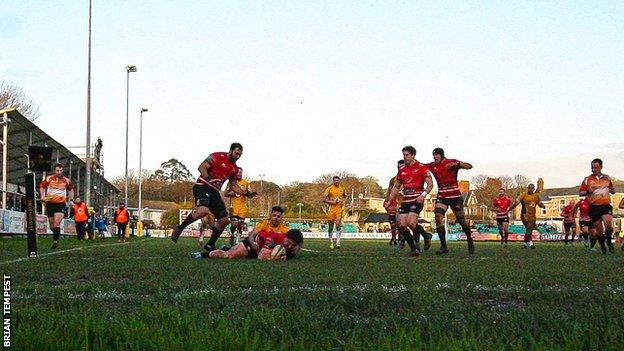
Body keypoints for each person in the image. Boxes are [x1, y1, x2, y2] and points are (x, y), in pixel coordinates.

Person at [171, 143, 257, 252]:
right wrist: (208, 178)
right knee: (203, 211)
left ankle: (210, 244)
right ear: (230, 151)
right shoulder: (217, 156)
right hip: (202, 186)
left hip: (214, 192)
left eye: (240, 155)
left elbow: (234, 186)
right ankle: (179, 228)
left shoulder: (234, 169)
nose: (238, 156)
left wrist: (247, 193)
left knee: (224, 220)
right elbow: (201, 167)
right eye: (236, 153)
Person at [193, 206, 303, 260]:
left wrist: (289, 253)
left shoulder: (286, 231)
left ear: (281, 217)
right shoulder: (265, 227)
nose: (276, 218)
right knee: (229, 256)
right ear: (271, 215)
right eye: (274, 215)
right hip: (251, 246)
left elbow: (297, 244)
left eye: (278, 216)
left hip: (260, 250)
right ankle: (203, 255)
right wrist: (253, 243)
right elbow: (253, 238)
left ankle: (226, 247)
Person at [384, 146, 433, 257]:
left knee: (411, 222)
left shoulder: (421, 167)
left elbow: (430, 184)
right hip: (406, 200)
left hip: (417, 199)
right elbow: (396, 187)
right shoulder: (402, 171)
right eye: (404, 155)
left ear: (413, 155)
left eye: (407, 155)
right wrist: (389, 200)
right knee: (401, 225)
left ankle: (426, 236)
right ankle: (414, 249)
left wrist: (423, 195)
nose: (405, 157)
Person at [427, 148, 474, 254]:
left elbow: (469, 166)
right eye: (433, 155)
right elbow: (420, 166)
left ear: (442, 155)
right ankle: (443, 246)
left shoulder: (451, 162)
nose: (435, 157)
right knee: (438, 217)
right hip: (442, 196)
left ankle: (469, 239)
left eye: (437, 155)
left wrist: (458, 164)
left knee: (462, 221)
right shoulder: (432, 165)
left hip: (455, 196)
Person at [579, 158, 616, 253]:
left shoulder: (607, 178)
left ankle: (609, 242)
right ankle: (603, 247)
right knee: (599, 231)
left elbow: (612, 189)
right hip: (594, 206)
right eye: (592, 167)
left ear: (601, 167)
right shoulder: (587, 179)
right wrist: (588, 191)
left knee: (608, 224)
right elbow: (580, 193)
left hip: (605, 205)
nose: (593, 169)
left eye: (596, 167)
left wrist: (612, 191)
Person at [39, 163, 74, 249]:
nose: (59, 172)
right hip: (50, 203)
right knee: (51, 225)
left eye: (61, 170)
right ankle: (57, 235)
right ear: (55, 170)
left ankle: (55, 241)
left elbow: (71, 189)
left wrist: (71, 200)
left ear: (62, 170)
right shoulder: (49, 178)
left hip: (61, 204)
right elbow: (42, 187)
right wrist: (42, 195)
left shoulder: (66, 180)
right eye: (57, 170)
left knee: (56, 223)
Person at [509, 183, 545, 249]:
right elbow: (516, 202)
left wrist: (542, 205)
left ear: (534, 189)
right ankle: (531, 243)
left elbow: (539, 203)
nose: (530, 189)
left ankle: (525, 244)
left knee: (530, 229)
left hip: (533, 216)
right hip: (524, 214)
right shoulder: (524, 194)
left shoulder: (536, 196)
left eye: (532, 188)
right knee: (529, 227)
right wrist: (509, 209)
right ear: (527, 188)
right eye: (529, 188)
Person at [225, 167, 250, 246]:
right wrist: (230, 194)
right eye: (238, 172)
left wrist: (251, 194)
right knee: (234, 224)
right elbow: (225, 194)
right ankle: (232, 234)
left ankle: (237, 242)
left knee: (240, 225)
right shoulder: (231, 182)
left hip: (242, 207)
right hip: (233, 207)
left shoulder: (246, 183)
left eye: (241, 173)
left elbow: (249, 194)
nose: (239, 174)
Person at [323, 176, 346, 249]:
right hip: (331, 209)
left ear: (339, 181)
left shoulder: (342, 189)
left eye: (337, 180)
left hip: (339, 209)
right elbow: (324, 199)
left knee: (338, 224)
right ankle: (331, 241)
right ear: (333, 181)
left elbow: (345, 196)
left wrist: (343, 201)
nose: (336, 182)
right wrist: (333, 202)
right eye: (335, 180)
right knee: (331, 227)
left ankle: (338, 241)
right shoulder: (329, 189)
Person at [385, 160, 405, 246]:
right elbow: (389, 191)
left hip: (403, 202)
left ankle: (401, 237)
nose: (400, 168)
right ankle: (393, 238)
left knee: (400, 222)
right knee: (392, 221)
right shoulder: (393, 179)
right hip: (393, 203)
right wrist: (386, 201)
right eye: (398, 167)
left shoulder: (408, 177)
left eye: (401, 167)